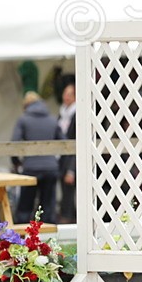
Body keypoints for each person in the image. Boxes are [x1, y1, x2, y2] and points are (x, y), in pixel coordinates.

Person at [11, 90, 60, 222]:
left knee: (25, 207)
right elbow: (63, 142)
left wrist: (17, 162)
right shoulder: (53, 119)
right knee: (48, 208)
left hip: (30, 168)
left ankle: (21, 238)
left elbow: (14, 144)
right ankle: (49, 239)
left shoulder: (23, 119)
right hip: (51, 168)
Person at [56, 81, 77, 223]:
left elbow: (76, 143)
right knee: (65, 193)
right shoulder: (61, 113)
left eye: (70, 94)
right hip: (61, 159)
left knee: (70, 193)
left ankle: (68, 219)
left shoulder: (76, 115)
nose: (66, 97)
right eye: (65, 93)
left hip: (72, 160)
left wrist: (71, 170)